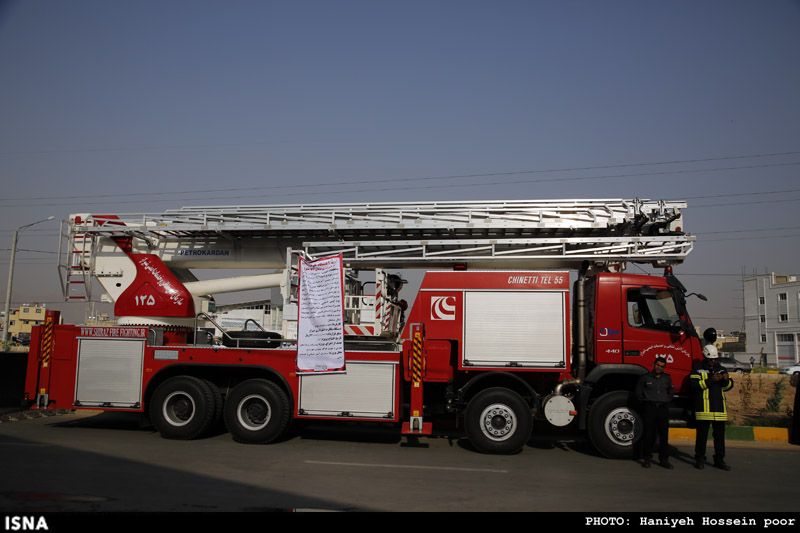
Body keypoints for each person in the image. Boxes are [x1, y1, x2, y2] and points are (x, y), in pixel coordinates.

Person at [690, 344, 734, 470]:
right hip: (703, 409)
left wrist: (726, 380)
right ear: (705, 357)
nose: (713, 361)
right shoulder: (697, 369)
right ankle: (699, 459)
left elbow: (728, 387)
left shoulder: (721, 369)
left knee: (719, 437)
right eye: (710, 359)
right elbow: (695, 386)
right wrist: (712, 380)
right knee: (702, 437)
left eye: (715, 359)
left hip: (719, 409)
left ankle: (719, 460)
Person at [635, 356, 675, 469]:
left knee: (664, 436)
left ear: (664, 368)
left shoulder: (667, 378)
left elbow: (671, 391)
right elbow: (638, 393)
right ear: (654, 364)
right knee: (649, 435)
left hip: (663, 409)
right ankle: (647, 459)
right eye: (658, 365)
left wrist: (667, 399)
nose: (659, 368)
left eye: (662, 366)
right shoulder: (645, 377)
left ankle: (664, 460)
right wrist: (645, 403)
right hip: (650, 408)